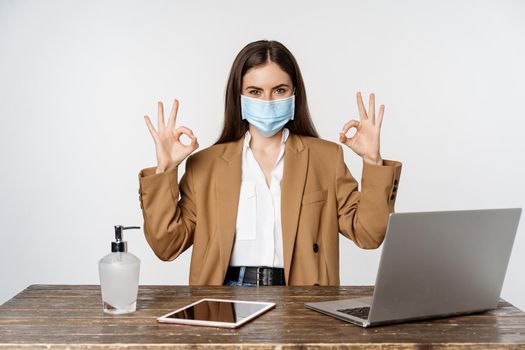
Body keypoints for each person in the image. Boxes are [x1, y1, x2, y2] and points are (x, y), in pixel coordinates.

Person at [138, 40, 402, 287]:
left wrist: (373, 161)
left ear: (294, 93)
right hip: (223, 296)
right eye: (255, 91)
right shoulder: (206, 164)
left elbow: (368, 235)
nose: (268, 101)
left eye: (279, 90)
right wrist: (165, 170)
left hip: (301, 295)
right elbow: (167, 246)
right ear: (238, 96)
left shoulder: (325, 158)